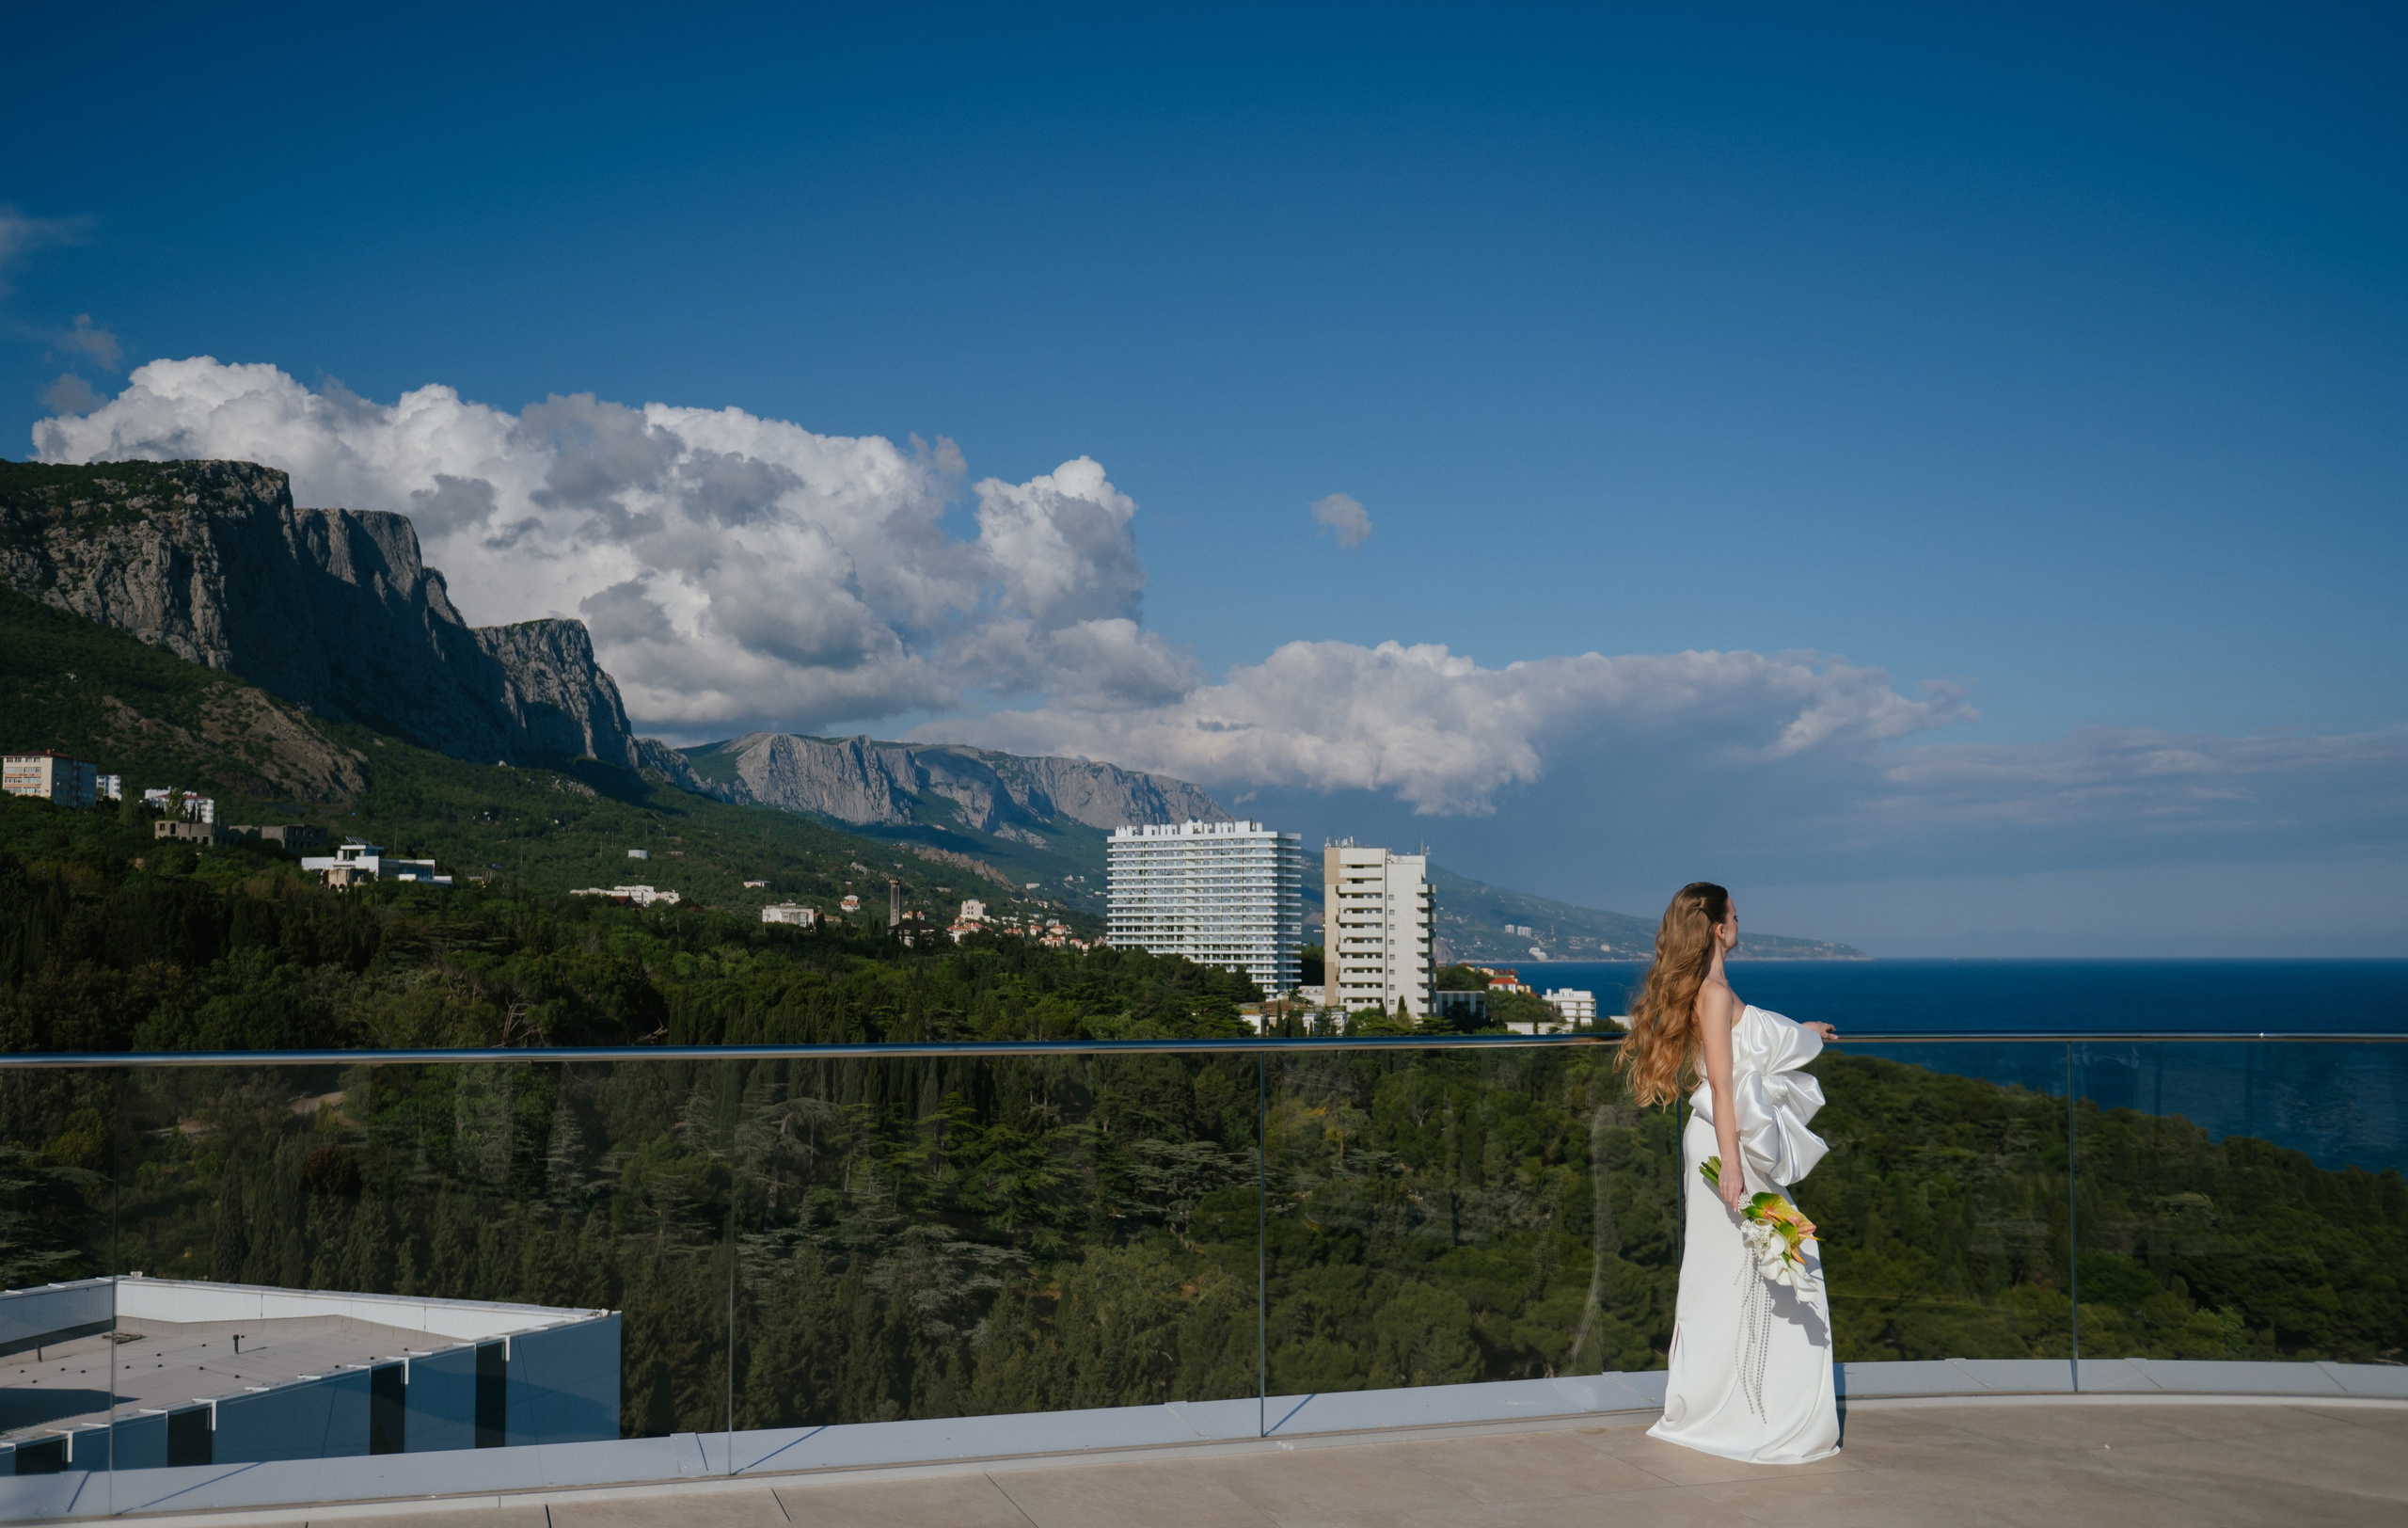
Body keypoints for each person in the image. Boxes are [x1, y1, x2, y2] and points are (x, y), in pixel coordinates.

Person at [1621, 882, 1842, 1463]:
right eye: (1736, 916)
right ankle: (1750, 1412)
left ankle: (1739, 1401)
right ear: (1719, 928)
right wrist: (1734, 1167)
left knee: (1738, 1272)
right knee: (1779, 1262)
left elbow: (1749, 1042)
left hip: (1722, 1142)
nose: (1742, 922)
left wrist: (1802, 1034)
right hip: (1726, 1147)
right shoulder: (1713, 992)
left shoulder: (1709, 988)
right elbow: (1723, 1084)